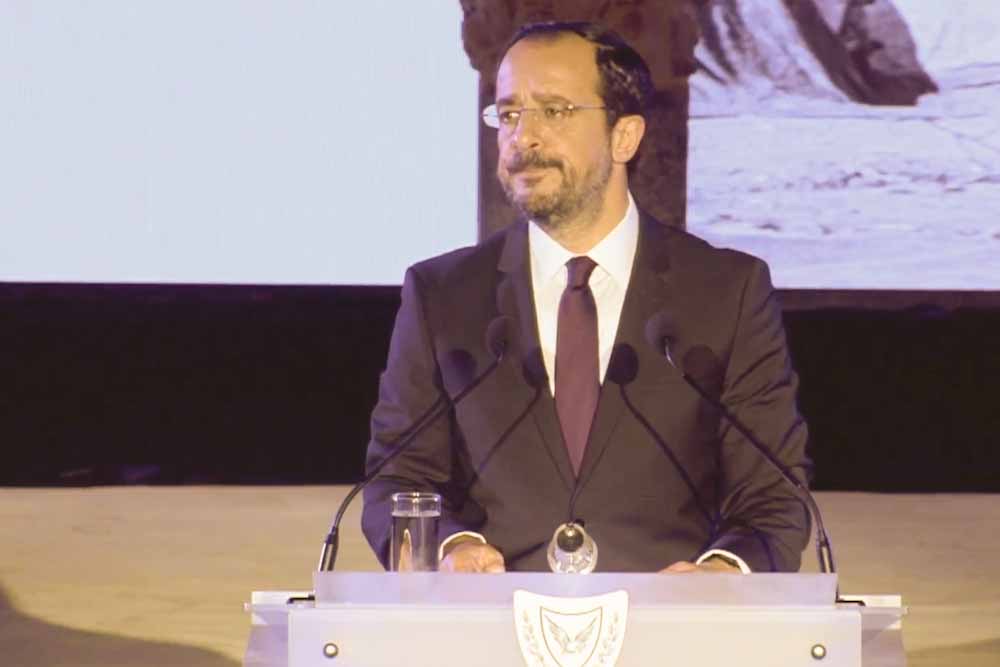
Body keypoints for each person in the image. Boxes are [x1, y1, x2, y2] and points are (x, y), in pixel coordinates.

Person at [361, 21, 811, 574]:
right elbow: (398, 480)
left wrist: (718, 575)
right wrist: (453, 550)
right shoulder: (442, 295)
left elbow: (773, 496)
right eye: (509, 114)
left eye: (554, 111)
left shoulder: (727, 292)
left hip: (667, 620)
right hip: (489, 615)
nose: (523, 138)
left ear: (625, 136)